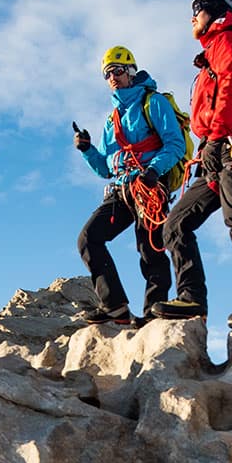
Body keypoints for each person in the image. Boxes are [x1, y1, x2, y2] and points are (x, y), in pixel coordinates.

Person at [159, 0, 232, 332]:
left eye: (196, 9)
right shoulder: (215, 46)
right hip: (215, 151)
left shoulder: (230, 39)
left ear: (217, 8)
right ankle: (191, 300)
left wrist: (216, 136)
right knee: (176, 224)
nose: (191, 18)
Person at [74, 46, 186, 325]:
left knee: (150, 248)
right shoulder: (112, 120)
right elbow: (105, 168)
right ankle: (114, 306)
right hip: (122, 188)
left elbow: (175, 143)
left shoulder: (154, 102)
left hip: (149, 184)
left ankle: (154, 311)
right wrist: (88, 150)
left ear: (131, 71)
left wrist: (154, 170)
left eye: (118, 70)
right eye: (107, 73)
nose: (112, 77)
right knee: (88, 239)